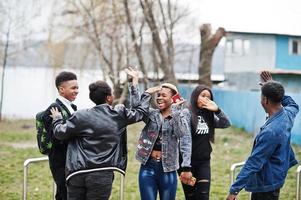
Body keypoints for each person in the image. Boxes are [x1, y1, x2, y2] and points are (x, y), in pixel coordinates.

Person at [50, 68, 158, 200]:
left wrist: (57, 119)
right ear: (109, 97)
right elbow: (140, 112)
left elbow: (60, 133)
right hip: (102, 175)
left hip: (76, 173)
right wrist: (141, 89)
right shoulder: (118, 115)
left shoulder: (80, 116)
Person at [226, 71, 299, 200]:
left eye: (261, 96)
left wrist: (234, 190)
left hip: (266, 185)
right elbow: (293, 104)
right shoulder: (288, 114)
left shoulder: (271, 131)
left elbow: (254, 162)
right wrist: (272, 87)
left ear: (265, 100)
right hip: (277, 176)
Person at [136, 83, 193, 200]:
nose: (159, 98)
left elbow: (182, 136)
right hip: (147, 167)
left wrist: (186, 166)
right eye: (158, 95)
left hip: (168, 169)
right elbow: (137, 109)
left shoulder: (181, 116)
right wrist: (146, 92)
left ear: (173, 99)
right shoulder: (152, 114)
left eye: (164, 95)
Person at [177, 85, 231, 200]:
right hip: (187, 162)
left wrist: (218, 110)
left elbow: (226, 123)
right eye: (203, 95)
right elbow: (185, 140)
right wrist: (186, 167)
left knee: (203, 196)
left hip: (203, 162)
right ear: (195, 96)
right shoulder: (186, 113)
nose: (206, 99)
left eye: (208, 97)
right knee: (190, 197)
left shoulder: (208, 114)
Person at [43, 71, 79, 200]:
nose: (77, 91)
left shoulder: (71, 107)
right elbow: (57, 137)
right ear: (61, 89)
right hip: (60, 160)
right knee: (64, 194)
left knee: (65, 194)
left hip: (71, 160)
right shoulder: (54, 109)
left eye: (77, 87)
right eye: (73, 88)